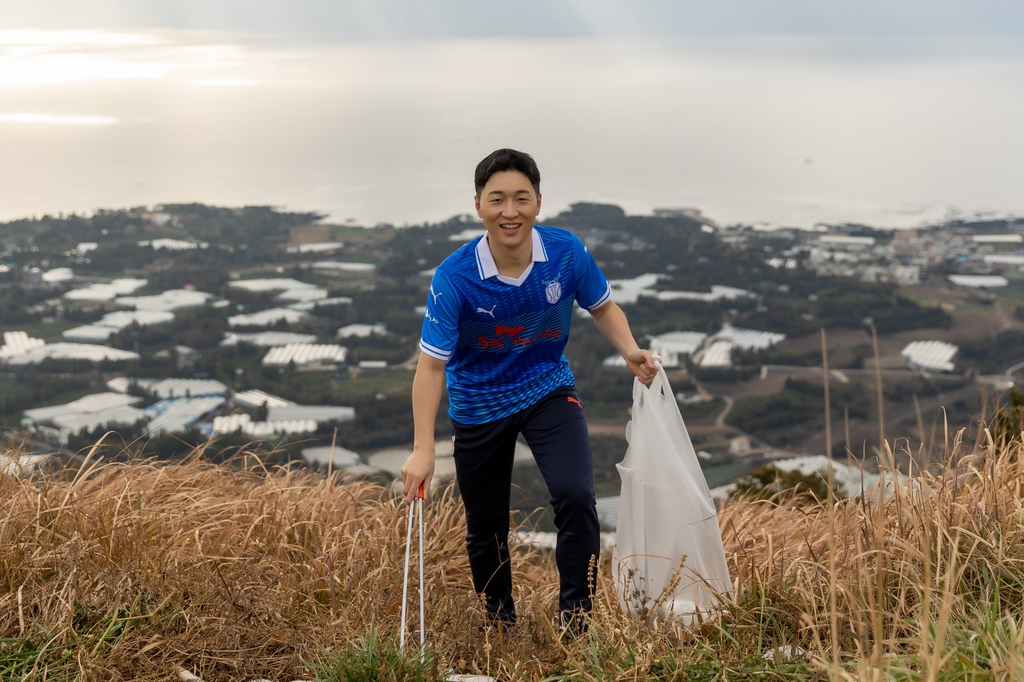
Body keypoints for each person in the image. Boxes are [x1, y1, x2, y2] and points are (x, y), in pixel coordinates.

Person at [400, 148, 658, 630]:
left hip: (546, 388)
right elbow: (431, 368)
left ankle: (575, 623)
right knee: (486, 526)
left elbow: (602, 306)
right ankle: (500, 623)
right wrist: (422, 450)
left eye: (521, 198)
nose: (510, 211)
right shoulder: (454, 278)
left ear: (539, 201)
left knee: (577, 497)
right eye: (497, 199)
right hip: (479, 404)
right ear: (478, 205)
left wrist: (630, 350)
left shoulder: (565, 252)